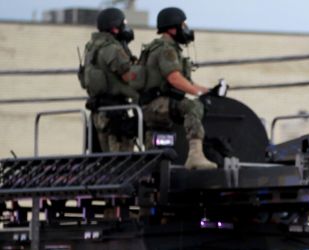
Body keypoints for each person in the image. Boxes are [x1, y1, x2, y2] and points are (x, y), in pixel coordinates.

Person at [139, 7, 217, 170]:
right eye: (183, 25)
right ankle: (195, 156)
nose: (186, 30)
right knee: (193, 106)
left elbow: (185, 82)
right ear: (173, 28)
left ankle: (152, 167)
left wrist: (208, 91)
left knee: (154, 157)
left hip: (153, 105)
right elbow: (174, 78)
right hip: (156, 105)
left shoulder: (161, 47)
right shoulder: (167, 49)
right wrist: (198, 94)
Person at [81, 8, 140, 153]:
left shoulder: (91, 47)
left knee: (104, 161)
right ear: (114, 28)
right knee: (122, 161)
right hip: (115, 114)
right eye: (123, 24)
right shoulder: (112, 48)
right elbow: (129, 76)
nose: (125, 28)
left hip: (99, 113)